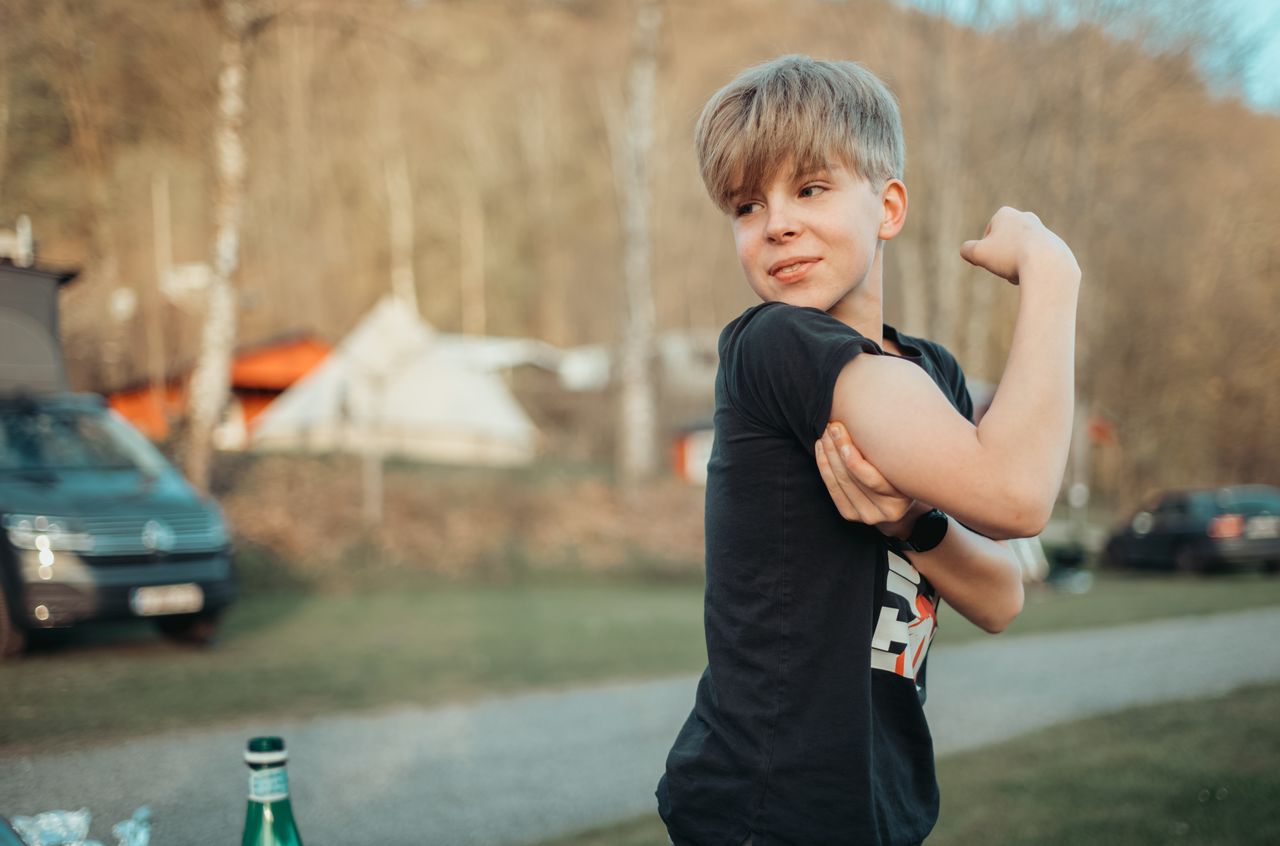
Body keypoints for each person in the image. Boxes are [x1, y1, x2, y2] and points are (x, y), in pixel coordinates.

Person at [656, 55, 1081, 846]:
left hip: (882, 803)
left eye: (809, 189)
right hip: (766, 809)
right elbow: (1018, 494)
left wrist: (914, 524)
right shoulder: (774, 343)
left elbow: (1000, 596)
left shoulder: (930, 373)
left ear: (887, 207)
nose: (776, 222)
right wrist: (1052, 274)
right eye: (748, 205)